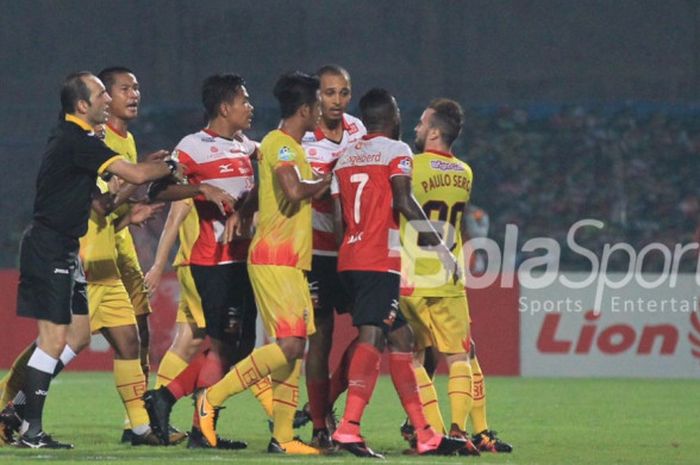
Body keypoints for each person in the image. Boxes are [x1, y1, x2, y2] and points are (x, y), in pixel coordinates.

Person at [11, 71, 185, 448]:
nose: (108, 99)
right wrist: (173, 164)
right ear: (82, 105)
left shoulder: (75, 140)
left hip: (63, 248)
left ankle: (19, 414)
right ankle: (28, 425)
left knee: (78, 335)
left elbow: (103, 204)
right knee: (54, 340)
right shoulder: (79, 141)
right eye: (103, 93)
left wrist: (129, 203)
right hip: (50, 248)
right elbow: (137, 172)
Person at [195, 71, 329, 455]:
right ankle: (212, 399)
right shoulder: (281, 144)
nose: (322, 111)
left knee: (295, 348)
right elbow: (292, 189)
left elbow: (264, 188)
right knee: (289, 344)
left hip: (292, 261)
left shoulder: (288, 147)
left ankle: (283, 437)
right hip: (275, 258)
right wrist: (333, 176)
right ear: (305, 109)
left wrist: (244, 208)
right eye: (318, 104)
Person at [329, 88, 466, 458]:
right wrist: (442, 248)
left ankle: (425, 433)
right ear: (390, 116)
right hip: (378, 259)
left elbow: (339, 218)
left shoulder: (345, 155)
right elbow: (404, 201)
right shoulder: (397, 151)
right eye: (399, 111)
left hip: (350, 257)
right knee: (372, 340)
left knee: (402, 342)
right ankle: (348, 429)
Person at [142, 74, 263, 448]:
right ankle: (194, 424)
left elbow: (279, 159)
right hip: (211, 262)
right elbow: (157, 189)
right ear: (225, 108)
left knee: (239, 348)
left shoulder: (246, 145)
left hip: (241, 261)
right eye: (244, 100)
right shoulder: (193, 146)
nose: (250, 107)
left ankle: (170, 404)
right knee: (222, 345)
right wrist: (201, 188)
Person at [398, 98, 480, 455]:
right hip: (449, 276)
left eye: (420, 123)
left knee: (415, 357)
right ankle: (461, 431)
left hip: (412, 274)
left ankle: (432, 433)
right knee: (458, 356)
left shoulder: (410, 167)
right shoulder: (465, 172)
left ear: (433, 131)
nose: (416, 128)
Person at [301, 64, 365, 449]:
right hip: (318, 252)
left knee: (374, 331)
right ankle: (320, 426)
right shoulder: (304, 137)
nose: (336, 101)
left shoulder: (359, 131)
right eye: (329, 93)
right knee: (320, 338)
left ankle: (322, 406)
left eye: (343, 93)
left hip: (356, 250)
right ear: (316, 96)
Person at [97, 67, 157, 442]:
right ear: (106, 96)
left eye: (137, 87)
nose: (134, 94)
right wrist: (143, 176)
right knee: (62, 342)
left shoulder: (128, 139)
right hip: (95, 252)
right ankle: (14, 402)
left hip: (122, 246)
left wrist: (131, 212)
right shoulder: (96, 139)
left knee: (142, 333)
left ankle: (138, 421)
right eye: (125, 88)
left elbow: (119, 203)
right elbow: (99, 203)